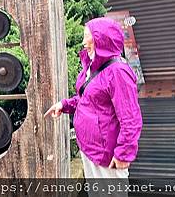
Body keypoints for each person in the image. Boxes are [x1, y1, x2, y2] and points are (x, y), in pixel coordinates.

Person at [45, 17, 142, 196]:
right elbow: (87, 99)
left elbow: (131, 118)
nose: (83, 42)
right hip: (90, 148)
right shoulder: (93, 65)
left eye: (86, 36)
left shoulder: (118, 72)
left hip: (106, 155)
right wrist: (64, 104)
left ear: (101, 39)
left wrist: (123, 154)